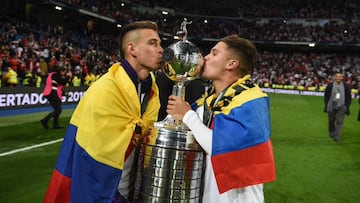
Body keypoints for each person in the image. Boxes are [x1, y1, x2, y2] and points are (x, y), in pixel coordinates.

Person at [43, 21, 163, 203]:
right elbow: (90, 158)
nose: (160, 49)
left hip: (133, 190)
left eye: (160, 44)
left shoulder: (152, 92)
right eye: (153, 43)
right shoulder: (105, 89)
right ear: (132, 49)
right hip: (106, 193)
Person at [167, 34, 276, 203]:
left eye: (214, 53)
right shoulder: (208, 101)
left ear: (231, 64)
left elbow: (223, 147)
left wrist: (188, 115)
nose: (206, 57)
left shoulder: (251, 101)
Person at [40, 63, 70, 129]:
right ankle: (44, 121)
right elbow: (62, 82)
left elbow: (59, 87)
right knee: (58, 110)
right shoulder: (54, 75)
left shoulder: (56, 76)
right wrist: (68, 77)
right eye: (63, 71)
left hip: (54, 94)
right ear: (60, 71)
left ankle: (55, 125)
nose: (64, 73)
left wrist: (65, 94)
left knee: (57, 110)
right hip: (51, 94)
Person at [324, 72, 352, 143]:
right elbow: (326, 96)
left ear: (342, 78)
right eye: (337, 76)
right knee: (331, 120)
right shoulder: (330, 85)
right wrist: (327, 104)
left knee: (340, 121)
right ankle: (332, 132)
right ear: (335, 77)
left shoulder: (346, 86)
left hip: (342, 105)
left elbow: (349, 97)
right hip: (332, 104)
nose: (339, 78)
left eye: (340, 77)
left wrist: (346, 106)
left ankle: (337, 137)